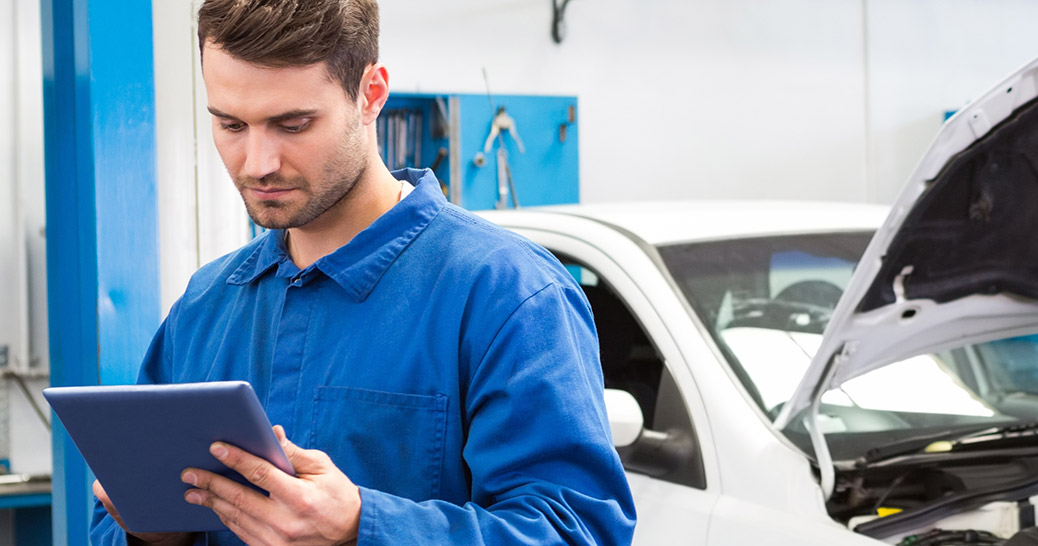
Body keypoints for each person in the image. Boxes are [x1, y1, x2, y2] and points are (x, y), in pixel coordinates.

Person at [89, 0, 635, 544]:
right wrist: (153, 535)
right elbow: (114, 520)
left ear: (370, 94)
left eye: (293, 124)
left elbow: (580, 531)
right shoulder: (207, 304)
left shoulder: (505, 294)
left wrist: (363, 526)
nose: (257, 163)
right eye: (231, 124)